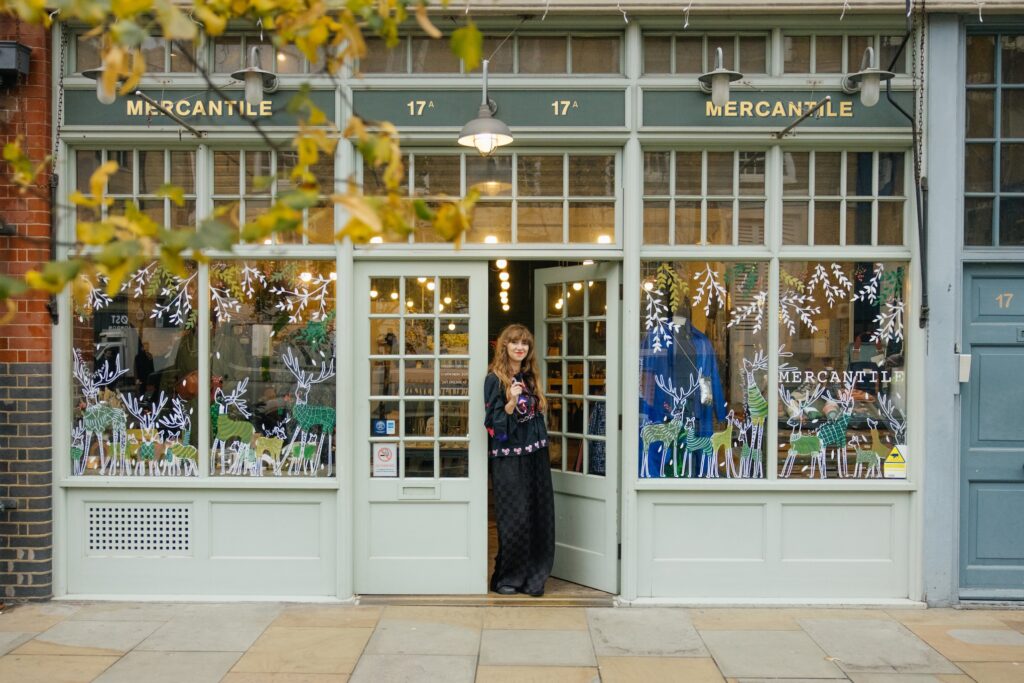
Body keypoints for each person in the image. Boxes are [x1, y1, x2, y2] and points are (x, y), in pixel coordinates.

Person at [484, 324, 555, 597]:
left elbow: (536, 418)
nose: (519, 347)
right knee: (514, 518)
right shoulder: (494, 380)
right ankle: (507, 577)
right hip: (508, 458)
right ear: (505, 346)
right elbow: (494, 427)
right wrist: (510, 402)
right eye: (514, 342)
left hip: (535, 454)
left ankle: (534, 577)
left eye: (524, 343)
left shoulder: (530, 377)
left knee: (538, 514)